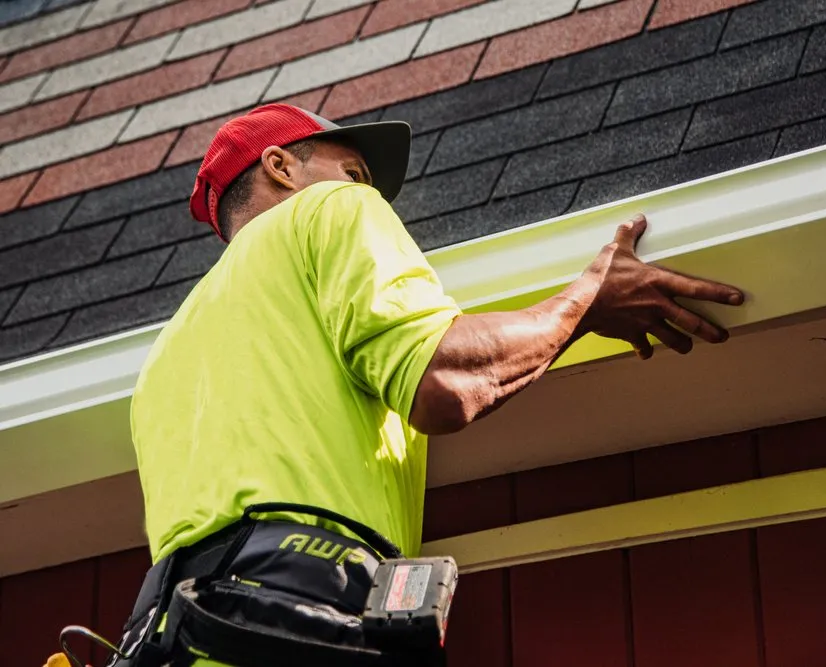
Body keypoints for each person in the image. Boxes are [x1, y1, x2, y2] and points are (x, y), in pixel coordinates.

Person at [121, 103, 743, 665]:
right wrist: (588, 301)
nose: (373, 199)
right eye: (357, 174)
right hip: (293, 614)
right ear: (281, 167)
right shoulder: (330, 209)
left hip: (174, 637)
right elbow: (442, 379)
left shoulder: (166, 355)